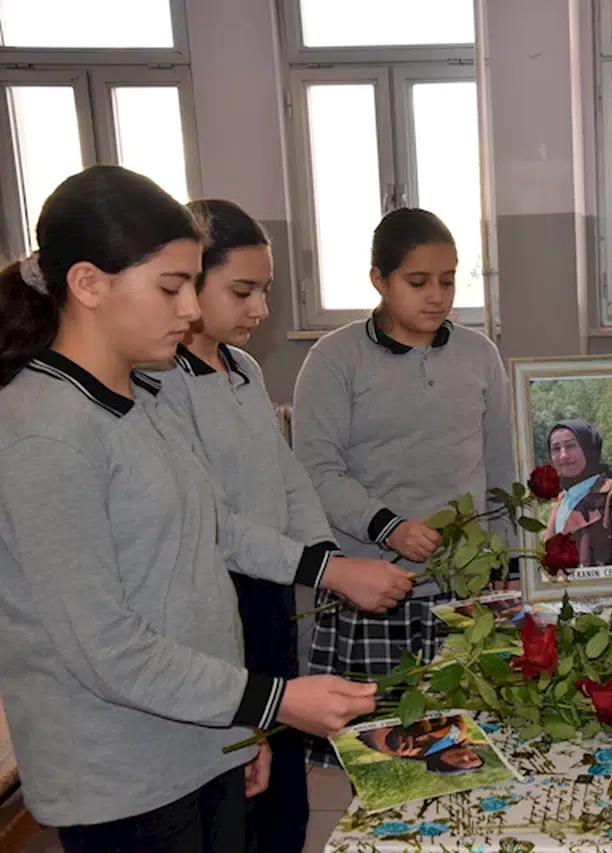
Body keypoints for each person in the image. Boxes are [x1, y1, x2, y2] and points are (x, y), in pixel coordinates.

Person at [0, 166, 378, 853]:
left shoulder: (140, 395)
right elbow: (104, 647)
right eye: (170, 287)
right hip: (123, 773)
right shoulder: (44, 432)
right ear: (88, 283)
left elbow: (213, 536)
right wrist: (273, 700)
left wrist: (237, 728)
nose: (189, 310)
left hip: (199, 740)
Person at [143, 198, 415, 853]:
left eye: (265, 291)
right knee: (237, 791)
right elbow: (214, 522)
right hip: (213, 607)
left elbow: (288, 479)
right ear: (188, 281)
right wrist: (330, 568)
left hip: (270, 596)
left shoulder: (244, 368)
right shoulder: (159, 384)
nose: (261, 309)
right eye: (243, 292)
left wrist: (325, 561)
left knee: (284, 784)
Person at [292, 208, 517, 769]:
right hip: (372, 590)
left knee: (469, 754)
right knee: (386, 764)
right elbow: (315, 470)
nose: (437, 296)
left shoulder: (480, 355)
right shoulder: (334, 359)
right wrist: (387, 526)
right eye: (418, 282)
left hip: (465, 591)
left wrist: (509, 563)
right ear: (379, 280)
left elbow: (500, 467)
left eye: (448, 280)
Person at [542, 419, 612, 568]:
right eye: (556, 448)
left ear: (589, 449)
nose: (563, 455)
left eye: (570, 446)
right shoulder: (561, 500)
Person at [356, 716, 485, 773]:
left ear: (446, 765)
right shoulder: (458, 735)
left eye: (460, 762)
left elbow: (375, 734)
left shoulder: (408, 751)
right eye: (472, 757)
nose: (464, 757)